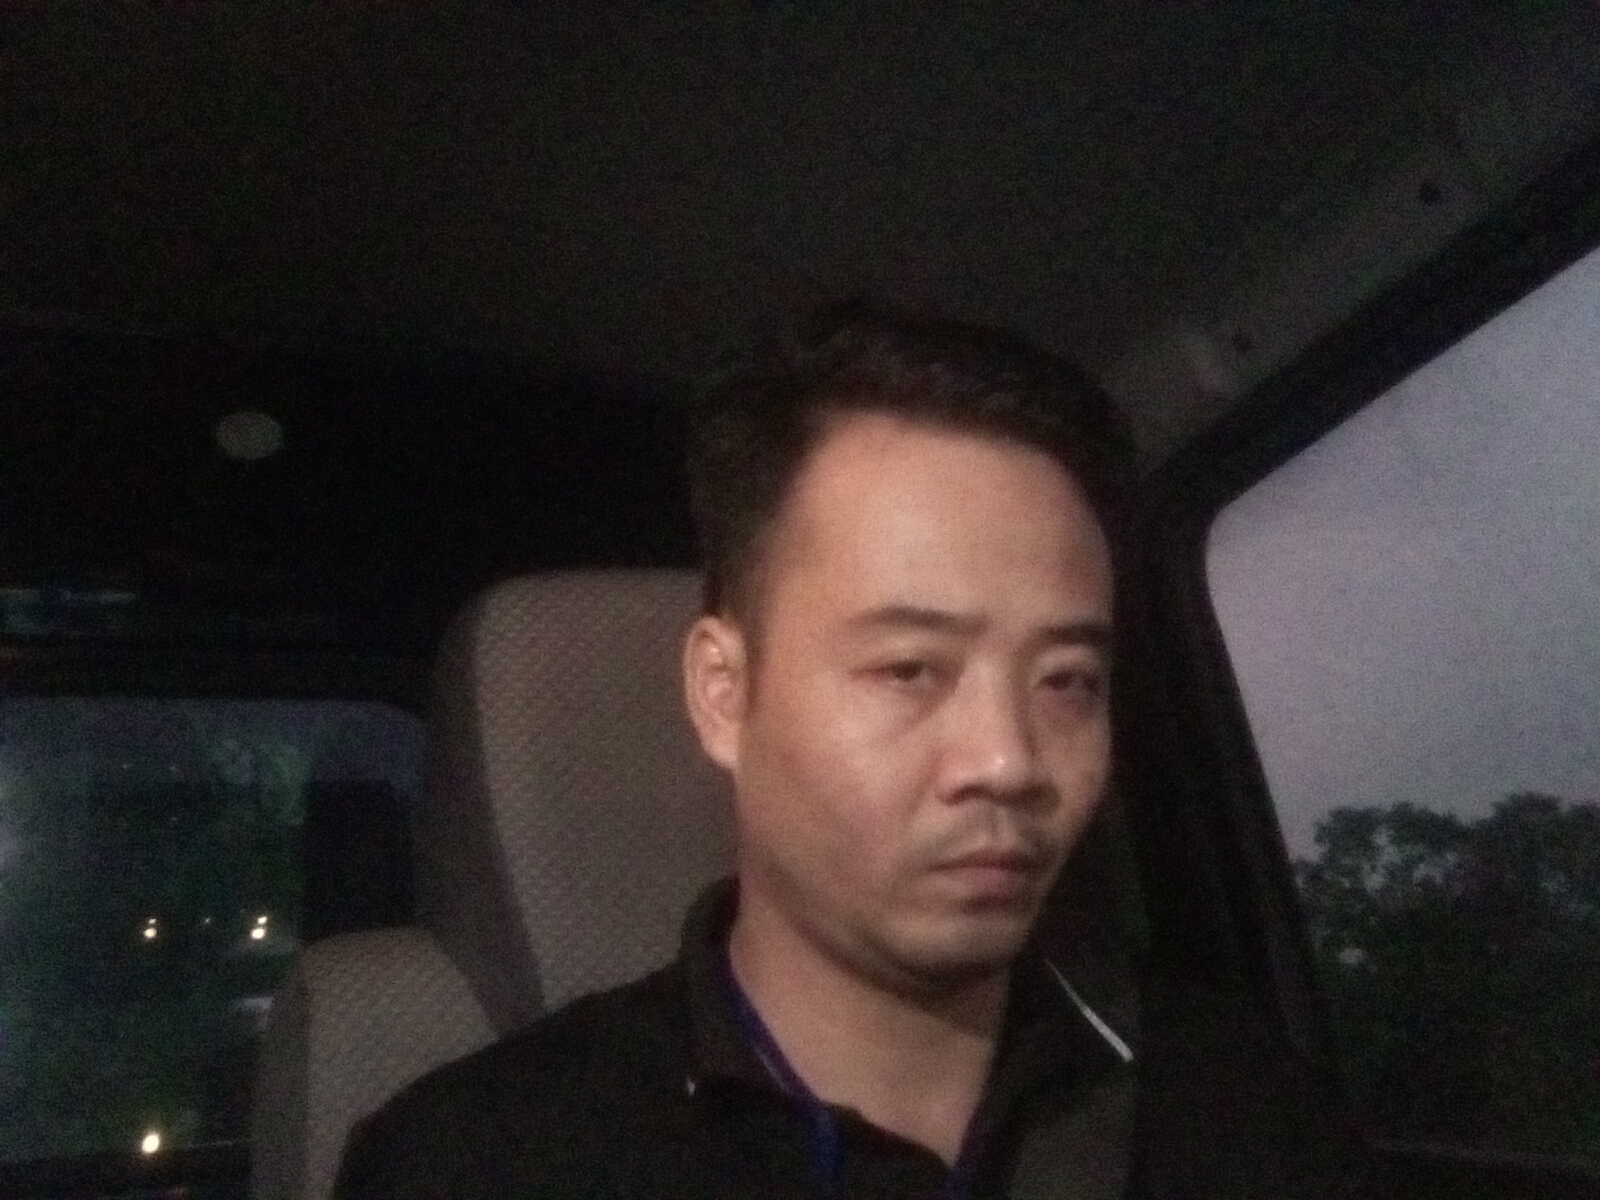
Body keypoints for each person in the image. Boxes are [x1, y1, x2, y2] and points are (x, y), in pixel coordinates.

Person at [333, 301, 1148, 1198]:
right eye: (910, 669)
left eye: (1067, 681)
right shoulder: (472, 1168)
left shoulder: (1236, 1109)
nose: (1008, 762)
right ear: (722, 692)